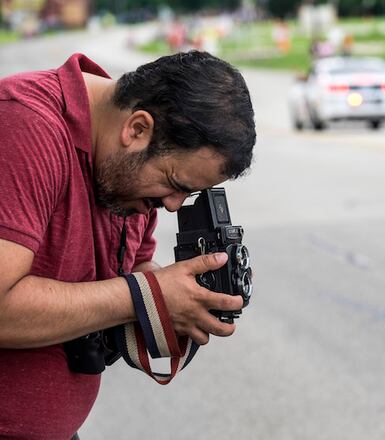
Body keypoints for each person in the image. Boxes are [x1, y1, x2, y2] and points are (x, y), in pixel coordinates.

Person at [0, 51, 256, 439]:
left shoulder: (125, 176)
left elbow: (130, 272)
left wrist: (184, 298)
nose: (172, 206)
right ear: (137, 129)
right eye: (174, 184)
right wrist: (146, 295)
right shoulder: (25, 125)